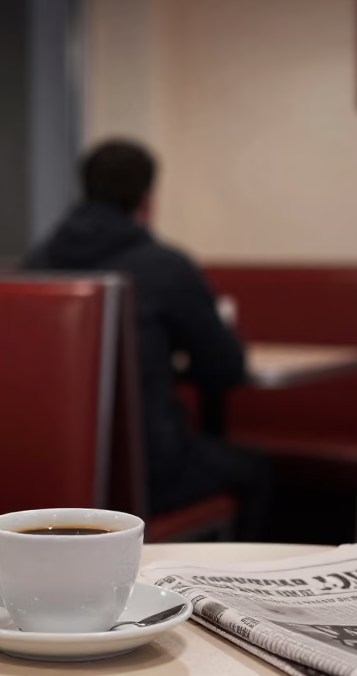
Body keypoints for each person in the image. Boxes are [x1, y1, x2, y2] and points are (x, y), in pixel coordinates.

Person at [25, 139, 269, 539]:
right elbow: (226, 367)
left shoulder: (35, 264)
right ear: (146, 199)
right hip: (145, 473)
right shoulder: (165, 266)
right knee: (256, 472)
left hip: (48, 466)